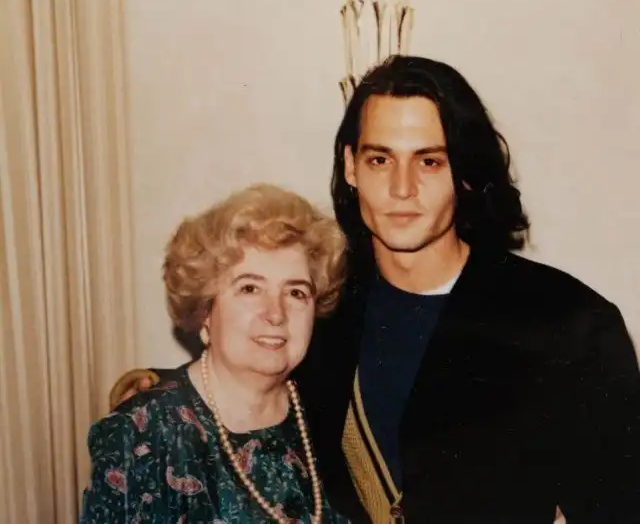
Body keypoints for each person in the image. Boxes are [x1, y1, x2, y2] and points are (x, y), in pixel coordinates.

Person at [110, 56, 640, 523]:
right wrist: (157, 385)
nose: (401, 188)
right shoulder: (319, 307)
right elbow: (246, 375)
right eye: (380, 159)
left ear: (464, 173)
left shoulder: (569, 326)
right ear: (351, 166)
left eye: (429, 161)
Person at [80, 184, 353, 523]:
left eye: (296, 292)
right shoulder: (142, 435)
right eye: (250, 288)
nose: (276, 313)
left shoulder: (329, 412)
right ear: (205, 310)